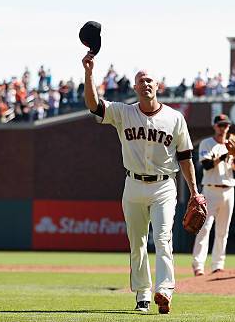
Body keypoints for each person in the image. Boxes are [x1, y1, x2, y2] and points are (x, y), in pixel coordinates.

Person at [82, 52, 201, 314]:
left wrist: (195, 192)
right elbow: (93, 105)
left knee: (162, 238)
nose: (146, 84)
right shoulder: (123, 113)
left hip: (164, 186)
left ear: (157, 86)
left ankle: (165, 290)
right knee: (137, 243)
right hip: (133, 185)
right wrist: (89, 73)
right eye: (141, 81)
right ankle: (142, 295)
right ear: (135, 88)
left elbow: (185, 158)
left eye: (150, 81)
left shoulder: (174, 118)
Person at [191, 114, 235, 276]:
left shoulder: (232, 144)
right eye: (220, 125)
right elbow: (206, 165)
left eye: (226, 125)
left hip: (228, 190)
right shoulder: (207, 143)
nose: (223, 128)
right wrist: (225, 154)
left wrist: (234, 155)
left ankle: (217, 265)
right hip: (210, 190)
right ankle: (198, 266)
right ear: (214, 126)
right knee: (204, 229)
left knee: (223, 230)